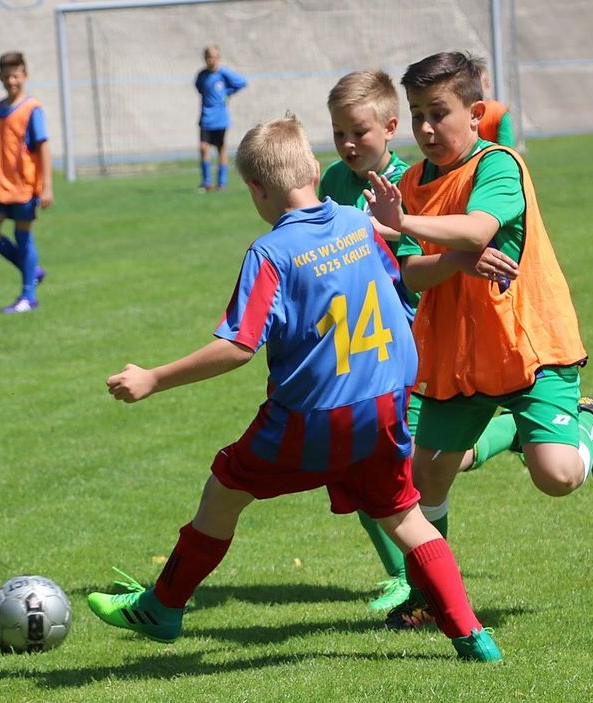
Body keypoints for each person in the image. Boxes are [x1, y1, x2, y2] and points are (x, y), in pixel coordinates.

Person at [87, 115, 502, 662]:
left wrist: (154, 378)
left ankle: (163, 608)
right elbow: (400, 279)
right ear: (313, 168)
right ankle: (473, 637)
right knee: (405, 515)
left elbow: (239, 345)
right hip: (383, 404)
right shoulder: (359, 225)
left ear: (255, 190)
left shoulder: (271, 254)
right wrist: (457, 259)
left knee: (224, 488)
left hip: (312, 415)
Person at [365, 51, 593, 627]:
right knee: (426, 472)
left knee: (557, 477)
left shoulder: (498, 165)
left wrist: (404, 225)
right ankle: (429, 598)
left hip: (528, 346)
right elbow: (409, 271)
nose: (426, 129)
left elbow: (480, 227)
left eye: (439, 113)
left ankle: (587, 421)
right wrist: (454, 260)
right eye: (416, 116)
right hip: (455, 353)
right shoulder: (408, 183)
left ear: (475, 111)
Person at [320, 70, 519, 616]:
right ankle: (414, 581)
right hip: (358, 341)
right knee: (368, 461)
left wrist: (438, 252)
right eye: (338, 133)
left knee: (398, 465)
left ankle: (417, 585)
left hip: (411, 340)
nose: (348, 144)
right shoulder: (335, 182)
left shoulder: (416, 182)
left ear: (389, 128)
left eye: (358, 131)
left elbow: (421, 264)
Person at [0, 51, 53, 314]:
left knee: (24, 238)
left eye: (17, 75)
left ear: (25, 75)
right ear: (0, 77)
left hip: (24, 187)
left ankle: (28, 296)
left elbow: (43, 148)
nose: (12, 81)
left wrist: (46, 187)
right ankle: (31, 270)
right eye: (7, 76)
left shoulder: (32, 109)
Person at [194, 45, 247, 192]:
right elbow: (199, 88)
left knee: (220, 149)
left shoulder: (223, 73)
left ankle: (222, 183)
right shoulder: (202, 76)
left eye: (214, 57)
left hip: (220, 119)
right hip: (206, 117)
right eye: (208, 57)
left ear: (218, 58)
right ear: (205, 59)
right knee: (203, 147)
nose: (211, 60)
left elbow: (242, 82)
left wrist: (226, 92)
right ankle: (206, 182)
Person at [476, 60, 514, 147]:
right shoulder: (462, 111)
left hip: (492, 158)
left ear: (487, 85)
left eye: (476, 85)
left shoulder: (498, 113)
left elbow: (506, 149)